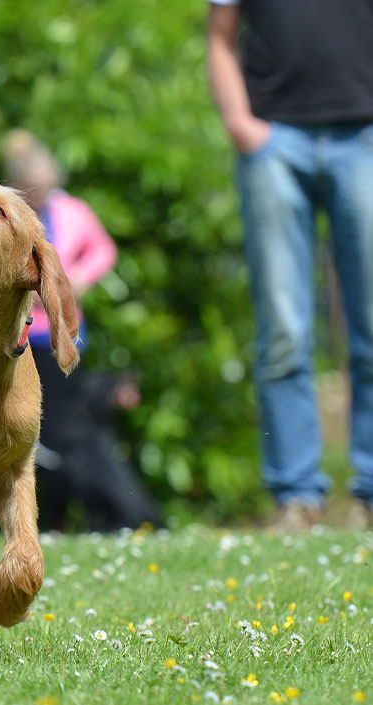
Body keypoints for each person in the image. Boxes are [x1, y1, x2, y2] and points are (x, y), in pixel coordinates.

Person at [206, 0, 373, 532]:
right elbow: (220, 36)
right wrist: (241, 124)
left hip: (364, 138)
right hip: (275, 142)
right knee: (283, 330)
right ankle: (297, 497)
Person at [1, 129, 159, 531]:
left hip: (66, 332)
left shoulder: (71, 210)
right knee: (43, 434)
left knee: (66, 432)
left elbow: (103, 250)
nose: (42, 196)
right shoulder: (7, 214)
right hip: (22, 336)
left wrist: (79, 280)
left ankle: (89, 517)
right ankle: (52, 519)